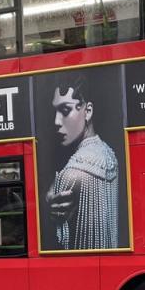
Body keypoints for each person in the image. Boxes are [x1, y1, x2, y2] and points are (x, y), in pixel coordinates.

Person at [46, 77, 119, 250]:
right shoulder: (108, 155)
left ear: (88, 111)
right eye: (55, 112)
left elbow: (57, 243)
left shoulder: (71, 172)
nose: (56, 122)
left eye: (65, 110)